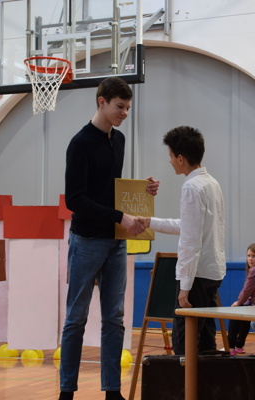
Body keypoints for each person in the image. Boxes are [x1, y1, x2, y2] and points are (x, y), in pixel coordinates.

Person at [60, 77, 159, 400]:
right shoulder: (80, 143)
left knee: (114, 318)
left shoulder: (120, 140)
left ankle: (112, 391)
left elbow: (110, 189)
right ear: (101, 101)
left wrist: (143, 190)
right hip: (87, 241)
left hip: (116, 242)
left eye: (128, 108)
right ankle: (66, 391)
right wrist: (119, 216)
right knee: (76, 318)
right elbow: (75, 199)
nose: (124, 113)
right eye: (120, 107)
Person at [139, 126, 226, 355]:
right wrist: (149, 222)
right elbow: (189, 226)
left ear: (180, 158)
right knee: (206, 341)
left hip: (196, 274)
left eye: (170, 156)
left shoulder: (191, 186)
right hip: (212, 271)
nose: (169, 161)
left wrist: (184, 287)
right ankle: (204, 380)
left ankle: (185, 380)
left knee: (184, 343)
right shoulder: (212, 183)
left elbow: (190, 240)